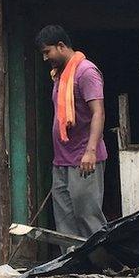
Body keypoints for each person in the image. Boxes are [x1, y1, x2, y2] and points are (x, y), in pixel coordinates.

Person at [36, 25, 108, 239]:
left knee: (87, 216)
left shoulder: (86, 72)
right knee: (65, 223)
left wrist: (91, 151)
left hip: (84, 158)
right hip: (62, 161)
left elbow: (98, 113)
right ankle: (72, 268)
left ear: (61, 46)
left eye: (47, 52)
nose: (45, 58)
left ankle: (106, 267)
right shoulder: (59, 75)